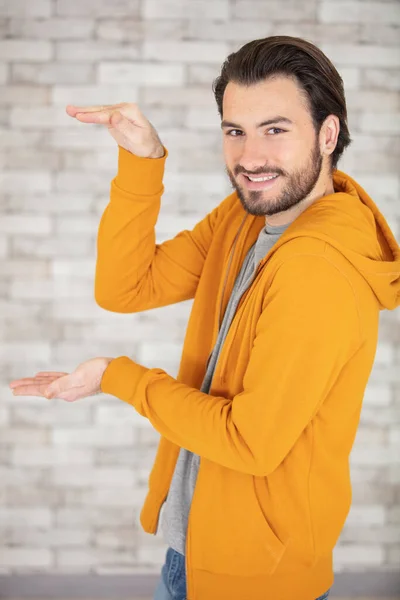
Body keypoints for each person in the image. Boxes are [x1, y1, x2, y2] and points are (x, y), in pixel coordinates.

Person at [10, 36, 400, 600]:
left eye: (276, 129)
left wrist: (117, 377)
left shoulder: (319, 271)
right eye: (235, 131)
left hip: (258, 580)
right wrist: (142, 162)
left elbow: (249, 442)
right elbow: (125, 287)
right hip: (198, 544)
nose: (249, 158)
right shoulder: (248, 217)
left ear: (328, 133)